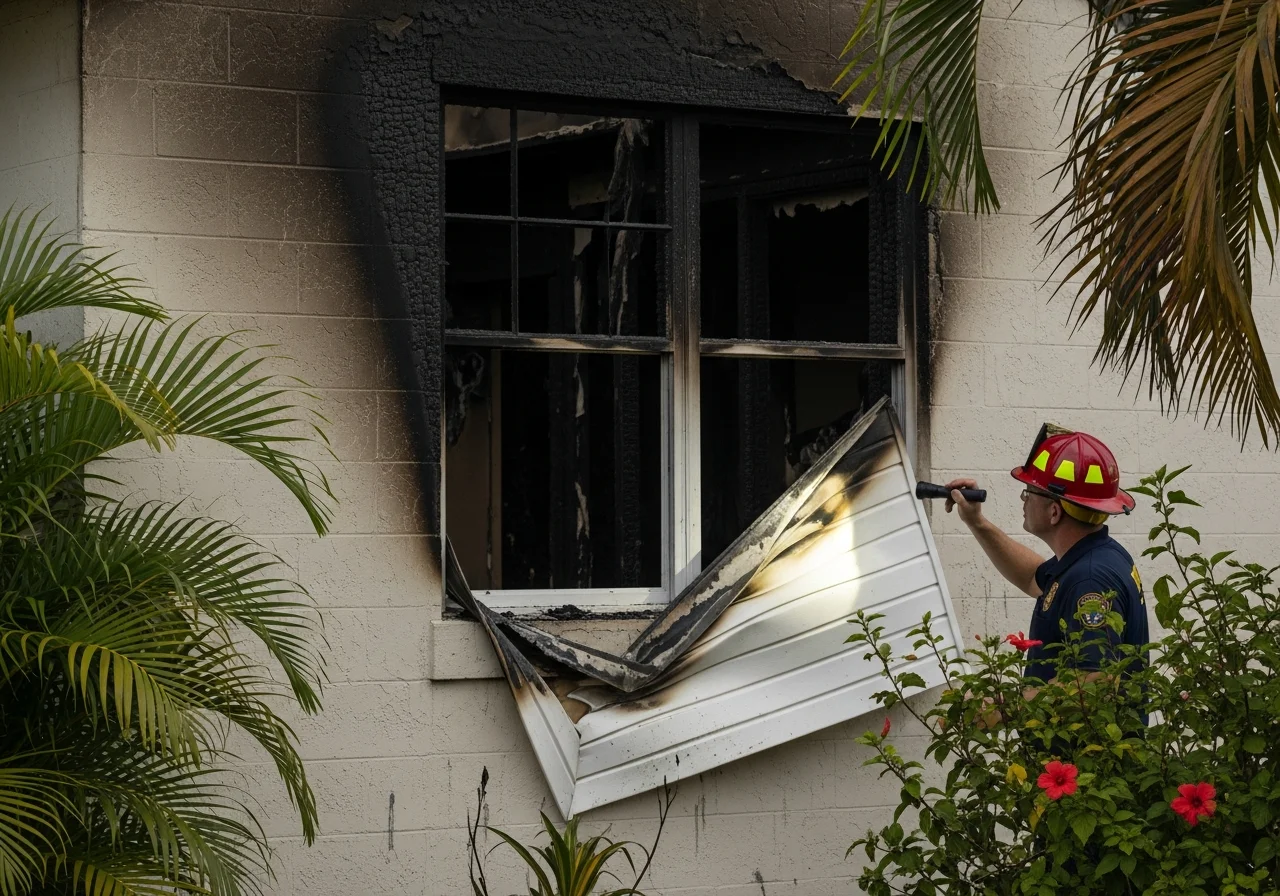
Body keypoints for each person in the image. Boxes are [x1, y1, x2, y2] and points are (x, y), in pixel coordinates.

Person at [944, 427, 1148, 724]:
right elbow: (1032, 577)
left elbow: (1096, 682)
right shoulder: (1094, 556)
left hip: (1089, 767)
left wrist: (1000, 708)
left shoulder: (1089, 580)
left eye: (1030, 492)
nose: (1023, 499)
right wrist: (977, 522)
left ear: (1054, 512)